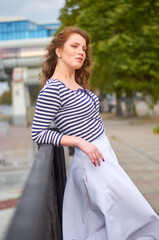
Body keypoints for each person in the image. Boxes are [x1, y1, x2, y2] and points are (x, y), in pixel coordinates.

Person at [32, 26, 159, 240]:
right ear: (59, 51)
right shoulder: (53, 88)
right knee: (133, 216)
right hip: (92, 160)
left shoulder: (76, 83)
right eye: (74, 46)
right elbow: (38, 133)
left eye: (84, 48)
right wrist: (79, 142)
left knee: (114, 219)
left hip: (103, 152)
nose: (81, 51)